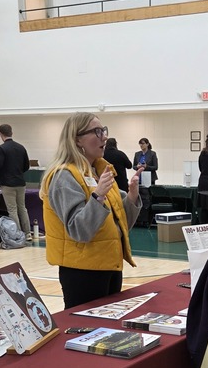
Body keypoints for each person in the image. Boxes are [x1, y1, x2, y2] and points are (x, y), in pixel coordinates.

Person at [41, 113, 141, 307]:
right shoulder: (64, 176)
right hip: (83, 272)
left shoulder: (99, 172)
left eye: (104, 130)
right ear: (77, 139)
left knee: (107, 332)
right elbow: (79, 231)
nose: (104, 136)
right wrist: (98, 196)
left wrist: (132, 197)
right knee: (86, 332)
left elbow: (121, 225)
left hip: (109, 265)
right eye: (97, 131)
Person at [0, 124, 31, 238]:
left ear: (1, 134)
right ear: (11, 133)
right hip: (20, 182)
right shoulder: (21, 147)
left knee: (12, 210)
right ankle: (28, 233)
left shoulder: (1, 148)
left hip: (7, 184)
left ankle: (18, 234)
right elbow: (27, 166)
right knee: (22, 208)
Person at [132, 138, 158, 227]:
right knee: (139, 198)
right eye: (140, 144)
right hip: (140, 179)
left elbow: (155, 167)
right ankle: (138, 219)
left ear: (147, 144)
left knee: (147, 199)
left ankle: (147, 219)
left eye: (142, 144)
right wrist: (138, 166)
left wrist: (146, 166)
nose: (141, 146)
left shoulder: (152, 154)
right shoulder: (137, 154)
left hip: (149, 178)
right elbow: (133, 166)